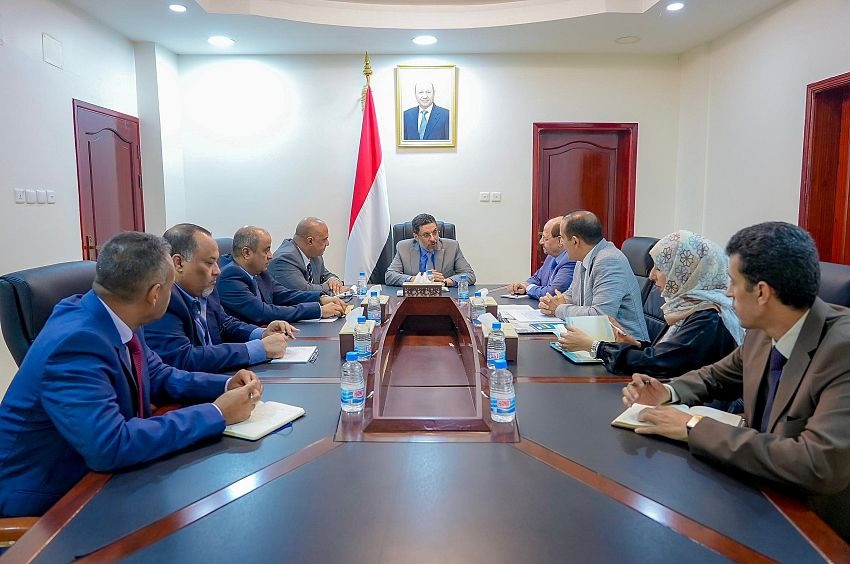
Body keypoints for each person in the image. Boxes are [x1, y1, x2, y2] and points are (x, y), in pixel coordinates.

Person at [0, 232, 262, 518]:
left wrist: (224, 384)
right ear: (154, 294)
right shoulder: (76, 343)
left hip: (103, 480)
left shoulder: (117, 313)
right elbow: (110, 445)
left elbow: (160, 375)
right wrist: (216, 414)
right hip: (49, 506)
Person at [622, 222, 850, 541]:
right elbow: (717, 375)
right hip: (756, 494)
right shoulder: (762, 331)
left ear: (761, 293)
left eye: (733, 282)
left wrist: (693, 427)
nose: (727, 291)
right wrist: (668, 391)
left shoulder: (842, 350)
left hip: (814, 528)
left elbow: (817, 463)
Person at [558, 230, 742, 376]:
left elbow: (660, 364)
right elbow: (670, 354)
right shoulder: (689, 307)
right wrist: (637, 345)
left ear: (684, 273)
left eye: (659, 268)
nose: (651, 276)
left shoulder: (709, 318)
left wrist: (595, 347)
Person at [145, 223, 294, 373]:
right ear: (179, 263)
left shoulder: (206, 289)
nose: (217, 271)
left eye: (217, 262)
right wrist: (257, 349)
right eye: (209, 263)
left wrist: (261, 333)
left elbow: (225, 324)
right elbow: (184, 359)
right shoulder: (164, 301)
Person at [540, 210, 649, 341]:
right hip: (597, 340)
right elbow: (571, 295)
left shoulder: (609, 261)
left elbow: (600, 316)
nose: (561, 243)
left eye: (562, 238)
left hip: (626, 349)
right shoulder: (583, 258)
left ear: (575, 241)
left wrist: (559, 309)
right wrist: (551, 303)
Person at [218, 225, 346, 324]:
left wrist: (320, 299)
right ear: (246, 253)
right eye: (266, 250)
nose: (271, 256)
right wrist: (318, 310)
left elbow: (283, 294)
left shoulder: (258, 271)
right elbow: (262, 312)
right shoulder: (230, 276)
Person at [385, 213, 476, 287]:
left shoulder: (452, 246)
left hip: (444, 298)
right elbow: (390, 276)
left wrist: (445, 282)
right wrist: (418, 279)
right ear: (416, 237)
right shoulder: (403, 247)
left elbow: (469, 275)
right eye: (426, 235)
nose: (433, 239)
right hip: (413, 299)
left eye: (435, 232)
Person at [268, 217, 343, 294]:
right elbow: (304, 290)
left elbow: (325, 275)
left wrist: (333, 280)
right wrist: (332, 288)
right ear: (310, 241)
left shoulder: (314, 255)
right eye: (324, 239)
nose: (327, 243)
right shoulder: (284, 259)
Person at [508, 216, 576, 299]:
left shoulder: (571, 260)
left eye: (545, 238)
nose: (540, 242)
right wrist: (523, 285)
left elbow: (552, 293)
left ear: (560, 241)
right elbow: (537, 278)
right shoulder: (551, 256)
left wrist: (528, 288)